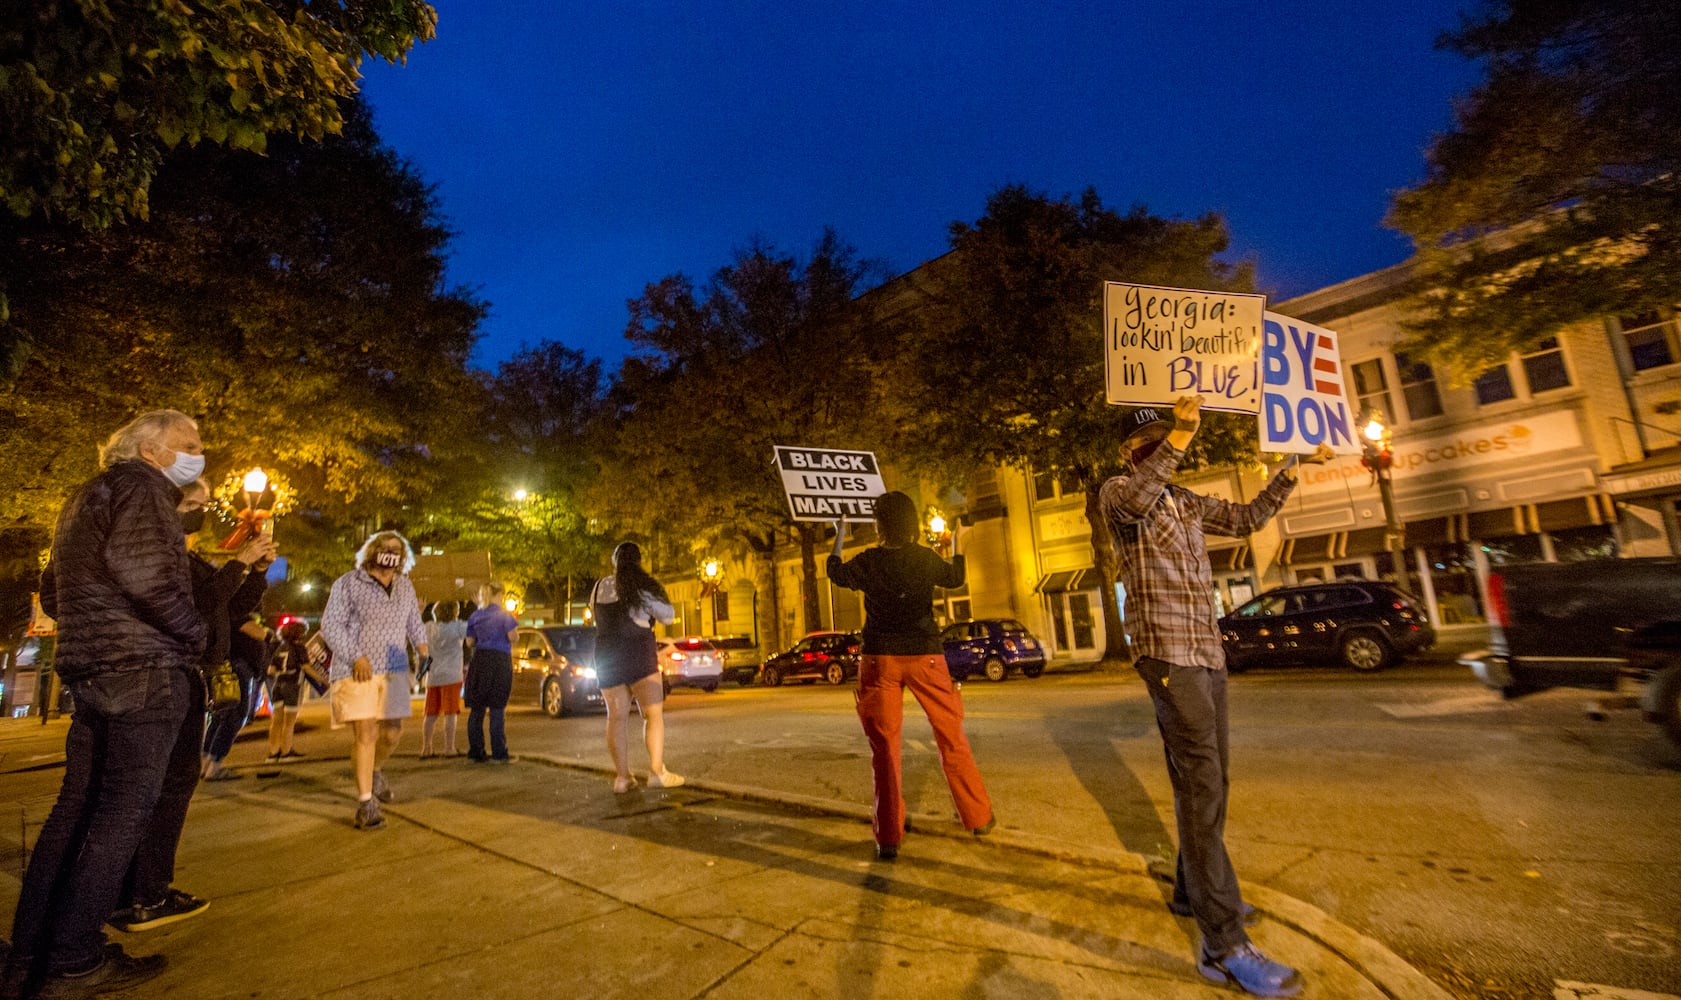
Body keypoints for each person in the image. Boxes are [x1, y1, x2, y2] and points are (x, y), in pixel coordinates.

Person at [1099, 396, 1332, 999]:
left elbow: (1250, 518)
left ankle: (1191, 890)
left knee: (1210, 781)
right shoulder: (1120, 494)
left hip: (1206, 654)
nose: (1164, 445)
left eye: (1168, 436)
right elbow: (1143, 491)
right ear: (1130, 450)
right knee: (1203, 784)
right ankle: (1222, 947)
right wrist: (1178, 436)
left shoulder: (1186, 500)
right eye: (1150, 438)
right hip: (1170, 658)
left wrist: (1290, 470)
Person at [1, 410, 207, 1000]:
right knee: (120, 816)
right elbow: (145, 575)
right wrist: (192, 632)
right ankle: (73, 956)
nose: (199, 454)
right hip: (143, 671)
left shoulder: (86, 497)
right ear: (149, 450)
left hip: (93, 669)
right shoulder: (144, 491)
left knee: (77, 812)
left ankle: (36, 949)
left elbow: (54, 591)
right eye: (188, 444)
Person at [108, 478, 271, 939]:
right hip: (166, 679)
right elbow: (197, 606)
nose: (201, 511)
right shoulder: (162, 557)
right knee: (163, 788)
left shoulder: (188, 557)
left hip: (188, 679)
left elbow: (228, 610)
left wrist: (255, 572)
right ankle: (145, 893)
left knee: (169, 786)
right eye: (194, 503)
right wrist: (237, 563)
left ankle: (145, 887)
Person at [827, 491, 995, 862]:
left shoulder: (869, 561)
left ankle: (888, 836)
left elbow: (835, 572)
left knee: (885, 749)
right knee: (951, 735)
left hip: (880, 657)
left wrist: (838, 534)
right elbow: (955, 577)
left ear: (880, 524)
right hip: (926, 655)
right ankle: (978, 816)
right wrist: (958, 542)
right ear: (912, 521)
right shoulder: (924, 559)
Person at [319, 531, 428, 831]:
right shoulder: (348, 583)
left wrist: (423, 649)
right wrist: (356, 656)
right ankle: (366, 803)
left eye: (397, 549)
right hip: (358, 669)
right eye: (385, 548)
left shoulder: (404, 585)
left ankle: (375, 770)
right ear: (372, 552)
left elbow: (413, 622)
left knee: (393, 733)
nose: (391, 554)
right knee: (365, 733)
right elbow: (330, 625)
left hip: (393, 665)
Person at [589, 543, 681, 793]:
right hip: (638, 653)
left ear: (615, 562)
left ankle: (622, 778)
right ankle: (656, 771)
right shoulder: (642, 587)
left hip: (607, 657)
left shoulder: (599, 587)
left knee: (616, 718)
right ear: (639, 561)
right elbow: (668, 616)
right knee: (653, 715)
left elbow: (594, 615)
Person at [201, 612, 273, 779]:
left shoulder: (223, 614)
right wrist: (266, 632)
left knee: (221, 717)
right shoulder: (238, 615)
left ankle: (206, 764)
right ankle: (215, 765)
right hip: (238, 669)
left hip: (230, 667)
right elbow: (258, 632)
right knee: (235, 715)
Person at [462, 585, 518, 763]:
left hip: (480, 661)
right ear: (498, 595)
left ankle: (476, 751)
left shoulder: (475, 616)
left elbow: (470, 642)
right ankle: (499, 753)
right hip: (499, 661)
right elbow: (513, 637)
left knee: (477, 709)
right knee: (496, 707)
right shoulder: (504, 615)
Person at [265, 619, 323, 760]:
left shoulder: (279, 648)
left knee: (276, 720)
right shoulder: (299, 648)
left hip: (278, 685)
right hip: (292, 685)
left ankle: (273, 753)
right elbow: (306, 667)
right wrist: (323, 680)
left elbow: (270, 670)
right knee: (289, 722)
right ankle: (286, 752)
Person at [420, 601, 468, 757]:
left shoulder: (429, 628)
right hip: (452, 676)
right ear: (455, 612)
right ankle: (449, 748)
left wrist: (422, 609)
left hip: (433, 676)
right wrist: (473, 605)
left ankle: (426, 748)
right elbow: (472, 629)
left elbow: (420, 626)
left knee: (430, 714)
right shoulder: (458, 627)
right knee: (450, 713)